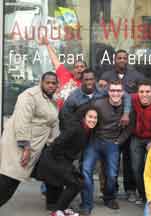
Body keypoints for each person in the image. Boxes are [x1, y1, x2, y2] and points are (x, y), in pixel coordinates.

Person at [0, 72, 59, 207]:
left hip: (38, 147)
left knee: (54, 172)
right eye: (47, 82)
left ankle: (54, 205)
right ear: (41, 83)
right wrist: (25, 147)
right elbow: (22, 122)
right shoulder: (29, 96)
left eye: (53, 83)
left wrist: (53, 143)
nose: (50, 85)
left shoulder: (51, 100)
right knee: (8, 183)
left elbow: (51, 124)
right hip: (19, 147)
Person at [33, 105, 98, 216]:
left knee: (75, 182)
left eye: (95, 118)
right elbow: (58, 143)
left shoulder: (87, 130)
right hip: (52, 159)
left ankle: (60, 209)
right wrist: (64, 165)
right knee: (76, 183)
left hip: (60, 160)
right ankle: (58, 211)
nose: (93, 120)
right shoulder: (76, 128)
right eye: (90, 117)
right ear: (83, 117)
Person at [80, 80, 133, 214]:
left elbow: (130, 128)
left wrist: (119, 141)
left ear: (123, 93)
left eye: (118, 91)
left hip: (112, 144)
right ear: (108, 92)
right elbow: (88, 119)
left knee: (112, 174)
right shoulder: (98, 104)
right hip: (95, 141)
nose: (115, 93)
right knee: (86, 170)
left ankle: (109, 198)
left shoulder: (128, 109)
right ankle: (86, 203)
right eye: (113, 90)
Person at [99, 49, 145, 201]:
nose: (122, 60)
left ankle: (130, 189)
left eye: (124, 58)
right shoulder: (106, 76)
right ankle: (111, 190)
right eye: (119, 58)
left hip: (128, 126)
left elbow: (140, 96)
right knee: (110, 160)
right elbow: (101, 96)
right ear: (114, 59)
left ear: (128, 60)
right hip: (111, 125)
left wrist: (127, 107)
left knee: (129, 159)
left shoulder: (136, 76)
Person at [59, 69, 131, 130]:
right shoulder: (73, 97)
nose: (89, 82)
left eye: (91, 79)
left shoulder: (102, 89)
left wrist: (126, 114)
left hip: (101, 129)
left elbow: (126, 95)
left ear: (95, 79)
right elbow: (64, 116)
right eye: (86, 80)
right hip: (81, 130)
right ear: (81, 81)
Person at [39, 37, 87, 109]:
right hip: (55, 111)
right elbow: (55, 60)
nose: (79, 69)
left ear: (86, 70)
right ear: (73, 70)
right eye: (76, 67)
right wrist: (47, 44)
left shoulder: (87, 85)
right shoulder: (65, 75)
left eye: (82, 67)